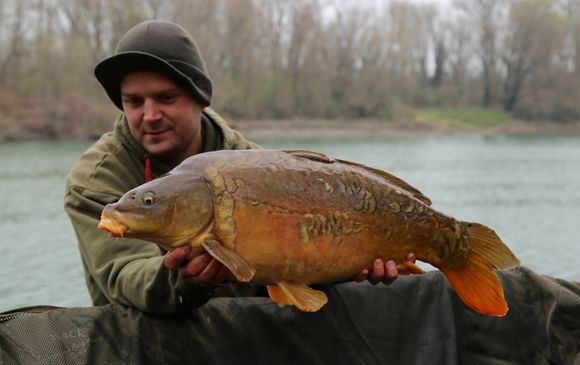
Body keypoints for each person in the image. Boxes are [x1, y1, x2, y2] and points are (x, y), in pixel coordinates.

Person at [64, 20, 403, 314]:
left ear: (199, 98)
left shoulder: (252, 164)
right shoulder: (95, 180)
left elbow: (300, 264)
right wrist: (183, 279)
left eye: (166, 98)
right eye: (134, 102)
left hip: (247, 337)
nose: (149, 116)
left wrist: (351, 265)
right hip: (143, 344)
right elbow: (125, 276)